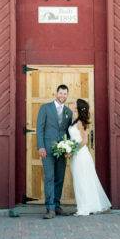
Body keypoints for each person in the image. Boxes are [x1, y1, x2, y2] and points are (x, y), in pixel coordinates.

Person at [68, 99, 111, 216]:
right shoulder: (74, 120)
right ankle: (86, 205)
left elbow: (84, 141)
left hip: (81, 155)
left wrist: (72, 150)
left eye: (74, 104)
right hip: (75, 156)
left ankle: (84, 209)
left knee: (82, 180)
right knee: (79, 180)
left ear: (77, 107)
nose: (72, 105)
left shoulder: (80, 122)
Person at [36, 84, 72, 219]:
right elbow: (39, 128)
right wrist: (41, 146)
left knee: (60, 178)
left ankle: (57, 205)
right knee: (49, 177)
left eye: (65, 94)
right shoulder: (45, 108)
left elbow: (68, 132)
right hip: (48, 149)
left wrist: (69, 148)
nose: (62, 96)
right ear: (56, 93)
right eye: (61, 93)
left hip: (62, 150)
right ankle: (49, 208)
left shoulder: (68, 111)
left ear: (67, 95)